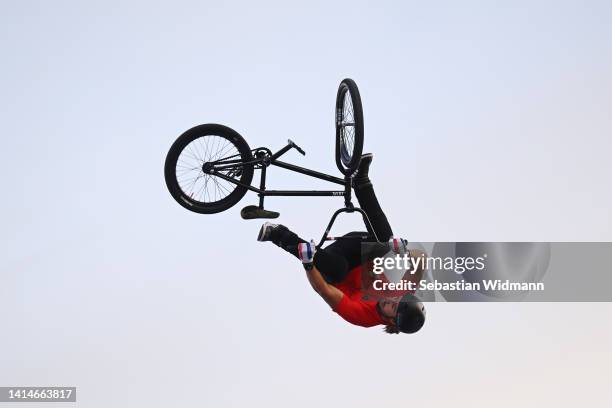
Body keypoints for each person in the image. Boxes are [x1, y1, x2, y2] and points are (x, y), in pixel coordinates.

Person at [258, 154, 426, 334]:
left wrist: (308, 264)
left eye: (392, 308)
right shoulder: (402, 292)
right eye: (397, 299)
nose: (391, 300)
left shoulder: (362, 316)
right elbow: (421, 259)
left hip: (331, 269)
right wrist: (403, 251)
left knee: (338, 268)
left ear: (390, 321)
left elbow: (323, 290)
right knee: (385, 242)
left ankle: (277, 234)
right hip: (355, 251)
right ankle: (361, 180)